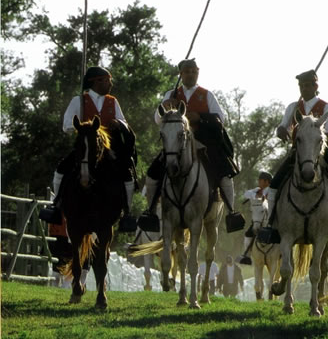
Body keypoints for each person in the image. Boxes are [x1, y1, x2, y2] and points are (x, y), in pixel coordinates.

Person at [138, 58, 244, 233]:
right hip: (176, 146)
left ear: (198, 73)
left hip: (203, 144)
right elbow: (158, 120)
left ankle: (231, 212)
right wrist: (164, 106)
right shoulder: (171, 94)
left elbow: (220, 118)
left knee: (225, 175)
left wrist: (200, 117)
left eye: (194, 71)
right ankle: (151, 212)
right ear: (181, 74)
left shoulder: (207, 95)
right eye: (187, 71)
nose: (191, 74)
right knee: (152, 175)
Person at [262, 69, 328, 241]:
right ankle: (270, 224)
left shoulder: (325, 107)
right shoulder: (293, 107)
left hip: (320, 152)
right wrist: (281, 130)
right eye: (301, 86)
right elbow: (283, 126)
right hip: (297, 153)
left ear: (315, 86)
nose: (304, 89)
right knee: (274, 184)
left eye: (307, 85)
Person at [43, 66, 137, 232]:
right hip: (85, 147)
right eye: (106, 80)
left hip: (108, 148)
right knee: (61, 169)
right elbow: (66, 125)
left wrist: (118, 123)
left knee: (127, 175)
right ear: (95, 82)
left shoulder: (112, 101)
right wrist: (81, 127)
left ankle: (127, 212)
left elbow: (124, 122)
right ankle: (57, 205)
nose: (110, 84)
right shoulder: (78, 101)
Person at [235, 170, 272, 265]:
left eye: (260, 180)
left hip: (270, 220)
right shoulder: (256, 190)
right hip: (257, 220)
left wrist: (263, 194)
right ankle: (247, 255)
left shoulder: (272, 191)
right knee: (248, 235)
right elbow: (246, 194)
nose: (259, 182)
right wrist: (256, 193)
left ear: (266, 182)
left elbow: (267, 195)